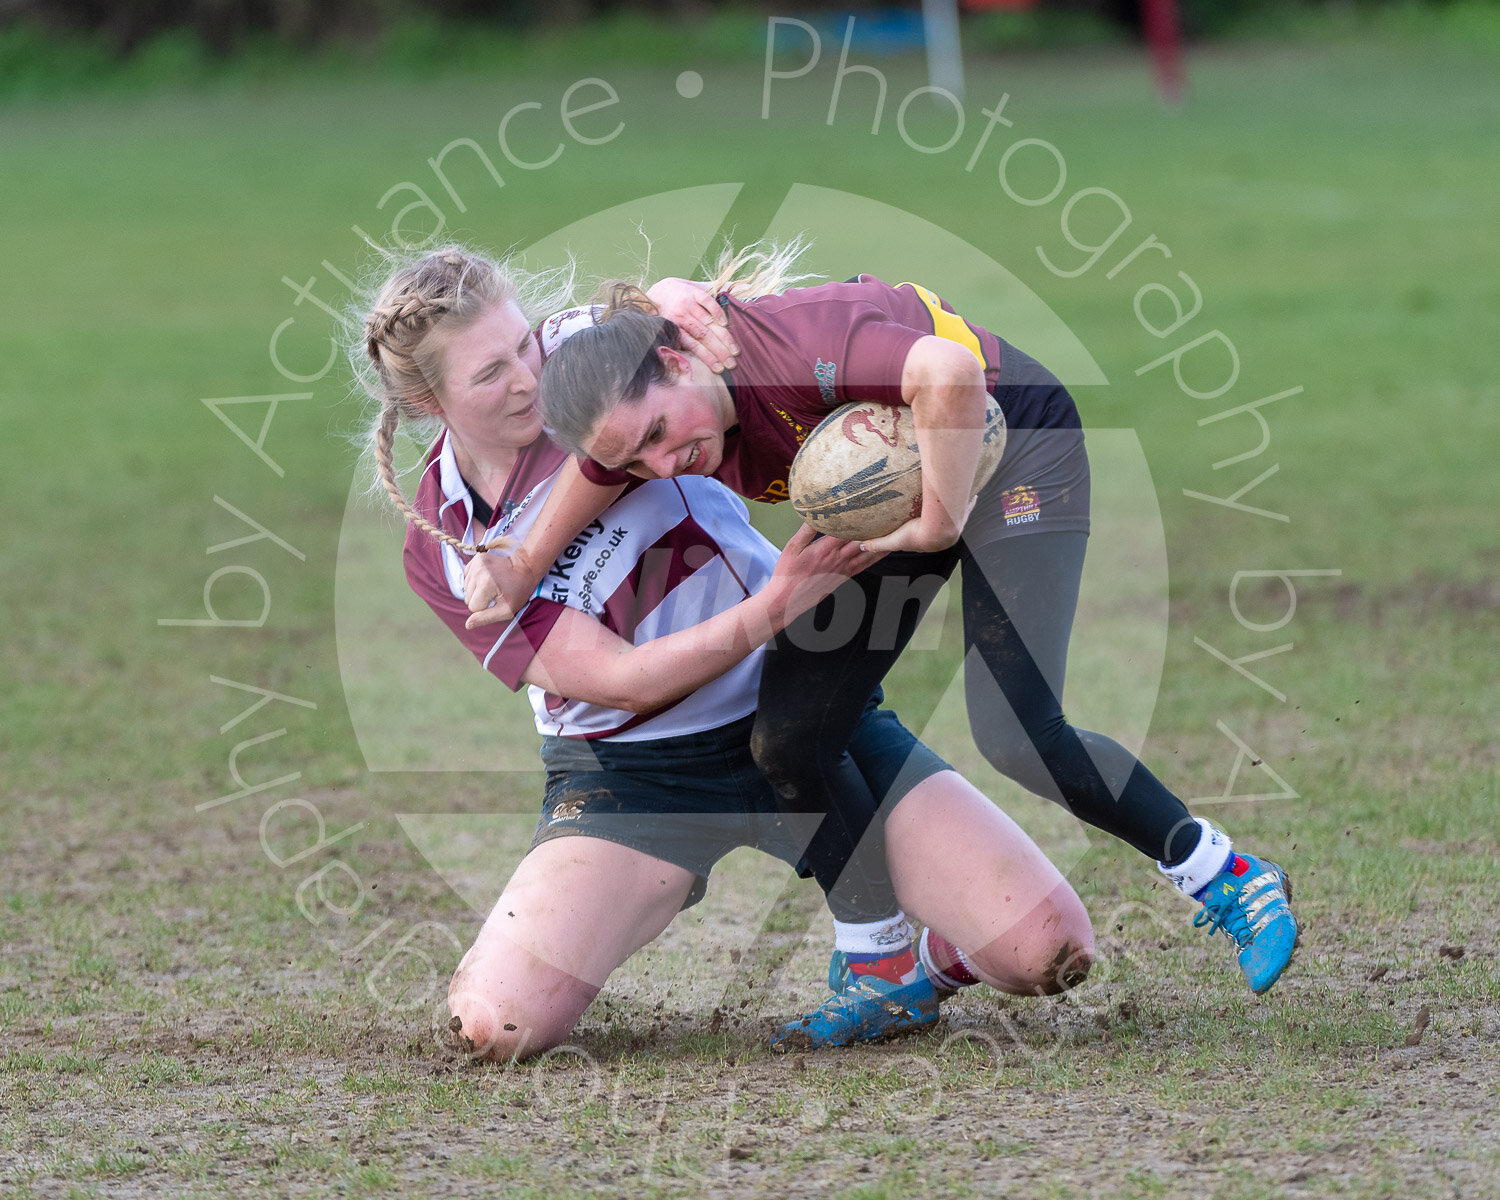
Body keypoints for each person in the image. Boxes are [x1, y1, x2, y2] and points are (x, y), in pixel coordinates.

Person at [474, 243, 1299, 997]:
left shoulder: (784, 353)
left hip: (1014, 446)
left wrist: (940, 522)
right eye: (636, 459)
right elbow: (600, 469)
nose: (662, 465)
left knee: (1017, 731)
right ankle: (880, 967)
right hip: (897, 495)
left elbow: (949, 370)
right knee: (790, 735)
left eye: (659, 433)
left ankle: (1226, 876)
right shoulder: (650, 420)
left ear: (677, 358)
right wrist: (521, 565)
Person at [354, 244, 1094, 1059]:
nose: (528, 379)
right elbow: (618, 682)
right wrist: (777, 603)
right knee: (497, 1025)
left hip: (796, 712)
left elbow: (719, 325)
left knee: (1047, 950)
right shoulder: (444, 542)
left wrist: (684, 295)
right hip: (635, 778)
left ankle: (923, 960)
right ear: (428, 401)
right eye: (490, 373)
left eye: (522, 344)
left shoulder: (587, 363)